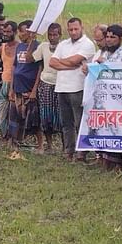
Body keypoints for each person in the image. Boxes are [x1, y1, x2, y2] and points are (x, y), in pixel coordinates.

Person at [50, 17, 96, 162]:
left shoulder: (87, 44)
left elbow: (75, 61)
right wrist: (69, 65)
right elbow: (52, 62)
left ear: (81, 27)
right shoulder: (63, 44)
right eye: (70, 29)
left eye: (76, 29)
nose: (73, 32)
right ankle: (68, 150)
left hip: (78, 87)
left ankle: (81, 152)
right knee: (66, 122)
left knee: (79, 122)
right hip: (62, 87)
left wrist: (64, 62)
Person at [85, 24, 122, 169]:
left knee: (116, 129)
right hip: (103, 98)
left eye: (112, 37)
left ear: (120, 39)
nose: (109, 40)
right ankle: (103, 158)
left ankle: (117, 163)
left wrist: (106, 64)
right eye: (107, 37)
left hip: (117, 99)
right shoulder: (105, 52)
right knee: (102, 127)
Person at [8, 20, 43, 153]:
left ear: (29, 32)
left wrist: (34, 90)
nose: (19, 34)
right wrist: (11, 88)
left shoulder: (38, 47)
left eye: (22, 31)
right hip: (17, 86)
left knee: (33, 119)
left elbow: (40, 68)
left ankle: (40, 145)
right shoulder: (19, 46)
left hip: (29, 87)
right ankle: (15, 142)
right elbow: (15, 67)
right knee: (15, 116)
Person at [32, 23, 63, 153]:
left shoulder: (65, 47)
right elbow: (31, 60)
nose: (52, 37)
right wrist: (32, 41)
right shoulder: (43, 47)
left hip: (60, 84)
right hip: (45, 84)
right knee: (45, 116)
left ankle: (64, 147)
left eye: (55, 34)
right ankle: (49, 145)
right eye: (50, 34)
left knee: (61, 117)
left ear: (60, 35)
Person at [0, 21, 20, 143]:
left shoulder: (19, 47)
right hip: (4, 83)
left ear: (15, 32)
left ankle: (14, 139)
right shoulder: (2, 47)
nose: (6, 34)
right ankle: (5, 136)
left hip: (15, 84)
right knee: (2, 114)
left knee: (14, 114)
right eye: (4, 31)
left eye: (8, 31)